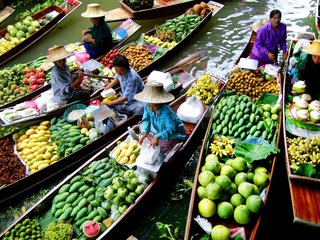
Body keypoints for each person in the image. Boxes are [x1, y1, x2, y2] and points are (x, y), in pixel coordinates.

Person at [135, 82, 186, 154]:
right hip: (158, 130)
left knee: (163, 148)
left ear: (159, 102)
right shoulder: (146, 106)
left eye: (154, 105)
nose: (151, 108)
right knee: (141, 127)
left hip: (173, 134)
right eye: (149, 105)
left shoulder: (166, 111)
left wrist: (157, 136)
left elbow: (171, 128)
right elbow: (146, 120)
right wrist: (145, 131)